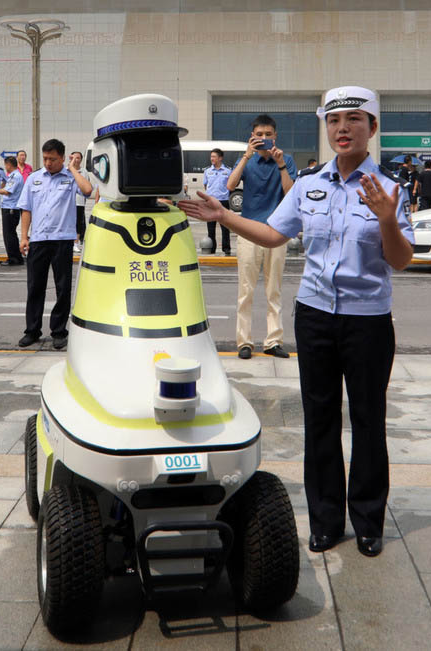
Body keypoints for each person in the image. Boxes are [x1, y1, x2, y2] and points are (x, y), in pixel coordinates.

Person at [180, 86, 414, 558]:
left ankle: (368, 519)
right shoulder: (310, 184)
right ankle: (327, 519)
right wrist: (223, 214)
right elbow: (270, 233)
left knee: (369, 421)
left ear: (372, 127)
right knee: (320, 419)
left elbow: (399, 261)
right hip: (314, 316)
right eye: (334, 120)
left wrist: (388, 220)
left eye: (353, 119)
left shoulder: (389, 189)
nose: (342, 128)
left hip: (367, 321)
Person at [225, 114, 296, 359]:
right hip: (248, 232)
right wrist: (246, 155)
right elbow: (230, 185)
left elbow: (290, 193)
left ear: (275, 136)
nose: (264, 139)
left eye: (268, 134)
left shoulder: (286, 160)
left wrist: (281, 165)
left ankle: (273, 341)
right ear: (252, 137)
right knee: (245, 291)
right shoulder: (247, 161)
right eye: (259, 135)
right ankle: (244, 342)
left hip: (277, 233)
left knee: (273, 290)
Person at [17, 139, 92, 350]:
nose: (48, 163)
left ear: (62, 158)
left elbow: (88, 190)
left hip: (62, 240)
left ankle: (59, 331)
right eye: (45, 158)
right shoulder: (34, 179)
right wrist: (24, 237)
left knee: (62, 288)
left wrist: (73, 169)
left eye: (53, 159)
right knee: (35, 287)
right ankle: (32, 330)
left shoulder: (71, 178)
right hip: (39, 240)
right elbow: (26, 209)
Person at [203, 148, 232, 255]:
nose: (212, 159)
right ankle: (212, 248)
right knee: (210, 228)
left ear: (220, 158)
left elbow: (231, 185)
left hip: (223, 202)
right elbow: (206, 185)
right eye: (211, 156)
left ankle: (226, 248)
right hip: (210, 202)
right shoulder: (207, 171)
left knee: (225, 227)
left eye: (214, 156)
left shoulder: (228, 171)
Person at [0, 155, 25, 265]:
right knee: (10, 234)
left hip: (11, 208)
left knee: (9, 234)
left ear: (9, 164)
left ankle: (13, 258)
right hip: (9, 208)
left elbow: (7, 191)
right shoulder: (13, 175)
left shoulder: (15, 176)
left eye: (6, 165)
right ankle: (16, 256)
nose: (5, 167)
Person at [67, 151, 89, 254]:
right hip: (68, 202)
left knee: (78, 223)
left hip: (79, 202)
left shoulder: (84, 172)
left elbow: (87, 186)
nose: (76, 160)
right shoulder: (66, 171)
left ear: (81, 159)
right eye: (74, 157)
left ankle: (75, 243)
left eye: (78, 158)